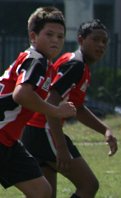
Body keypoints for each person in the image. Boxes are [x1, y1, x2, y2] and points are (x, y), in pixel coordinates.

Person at [22, 19, 118, 198]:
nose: (101, 45)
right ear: (81, 40)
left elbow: (77, 108)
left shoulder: (75, 62)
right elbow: (52, 101)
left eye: (104, 41)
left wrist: (105, 130)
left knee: (45, 195)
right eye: (96, 39)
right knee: (88, 185)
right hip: (44, 130)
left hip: (34, 131)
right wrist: (61, 147)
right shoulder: (76, 65)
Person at [0, 6, 76, 198]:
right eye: (49, 34)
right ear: (33, 37)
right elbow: (21, 95)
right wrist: (56, 111)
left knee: (42, 191)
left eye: (60, 36)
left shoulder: (43, 63)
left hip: (8, 141)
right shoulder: (37, 61)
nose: (55, 40)